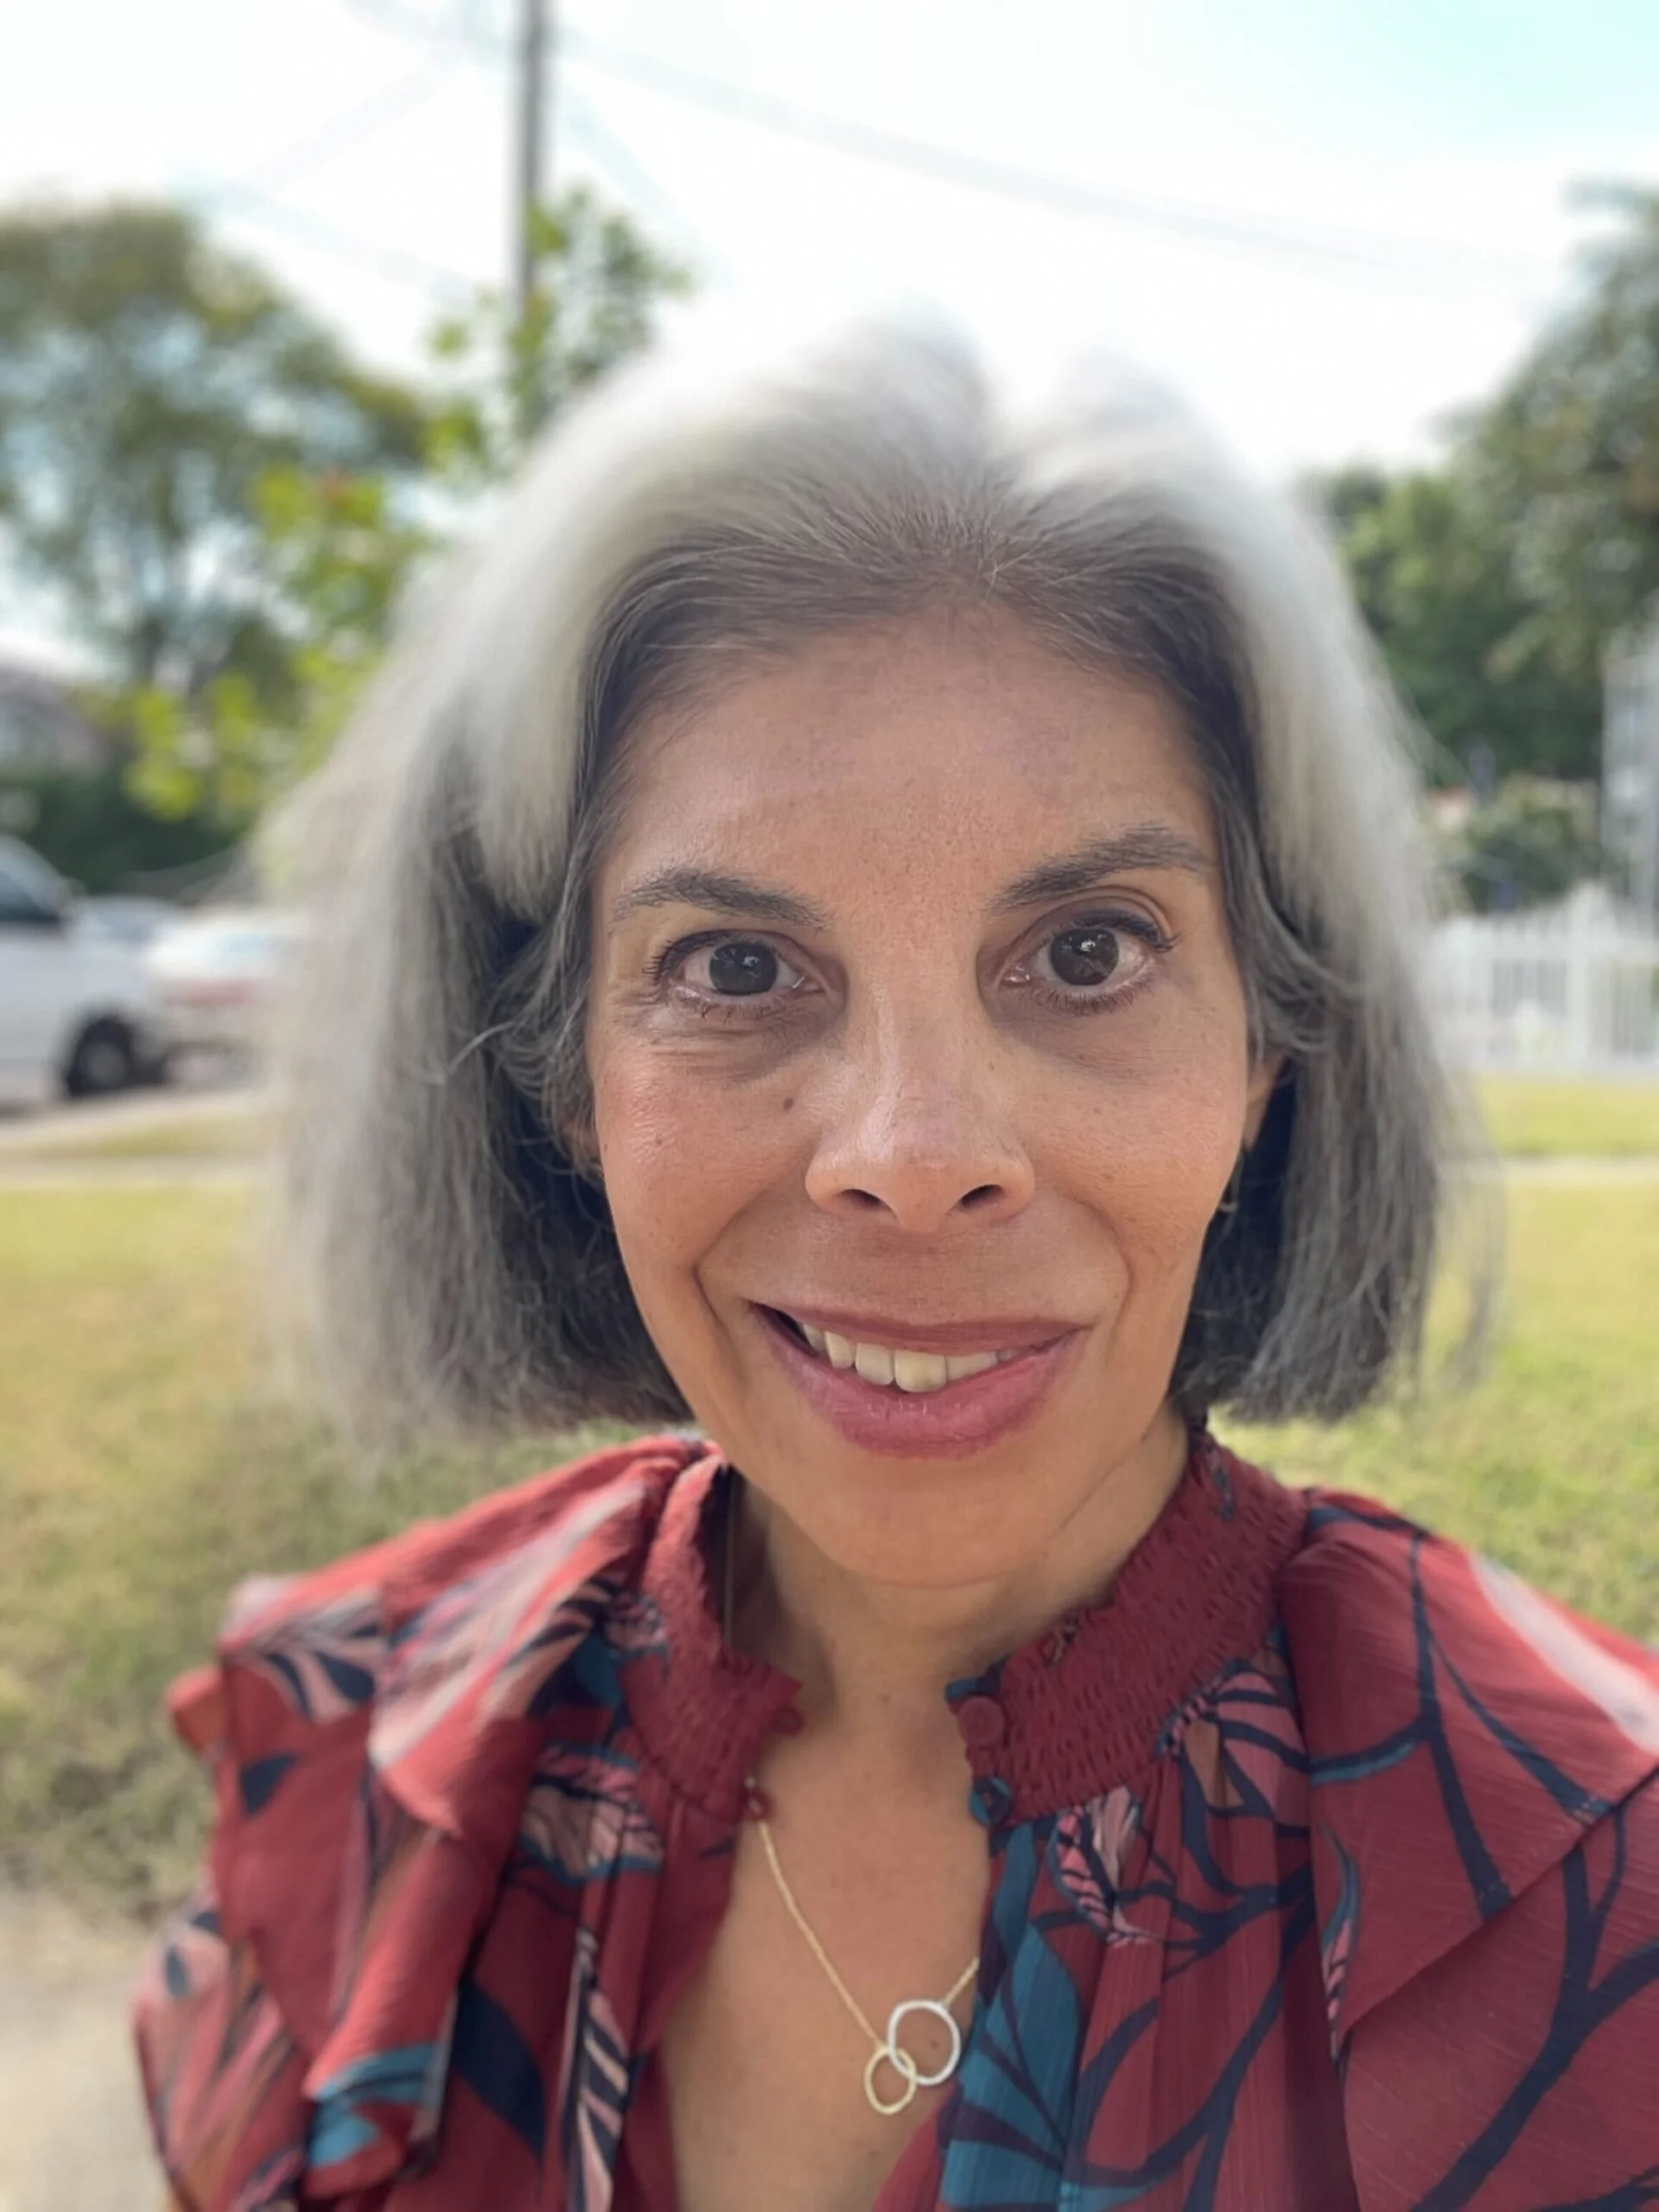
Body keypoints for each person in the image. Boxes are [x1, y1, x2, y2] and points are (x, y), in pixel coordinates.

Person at [134, 324, 1659, 2212]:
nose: (916, 1158)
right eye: (736, 967)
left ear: (1272, 1052)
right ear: (559, 1076)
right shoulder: (346, 1759)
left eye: (1089, 952)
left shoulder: (1602, 1894)